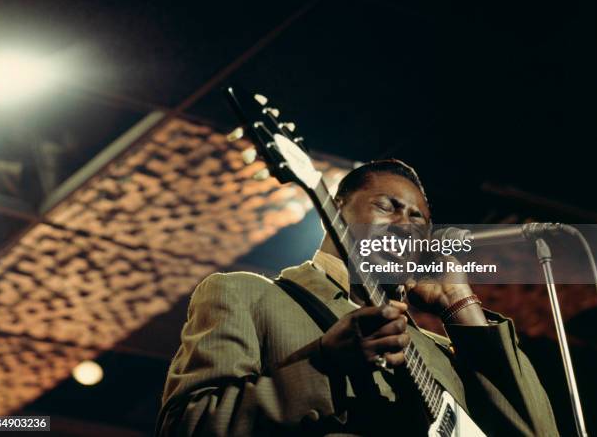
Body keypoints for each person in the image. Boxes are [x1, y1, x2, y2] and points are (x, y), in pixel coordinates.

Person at [156, 160, 558, 436]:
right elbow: (188, 426)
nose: (405, 226)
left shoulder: (436, 351)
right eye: (388, 207)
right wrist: (323, 366)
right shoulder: (247, 294)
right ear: (336, 208)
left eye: (418, 219)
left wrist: (459, 303)